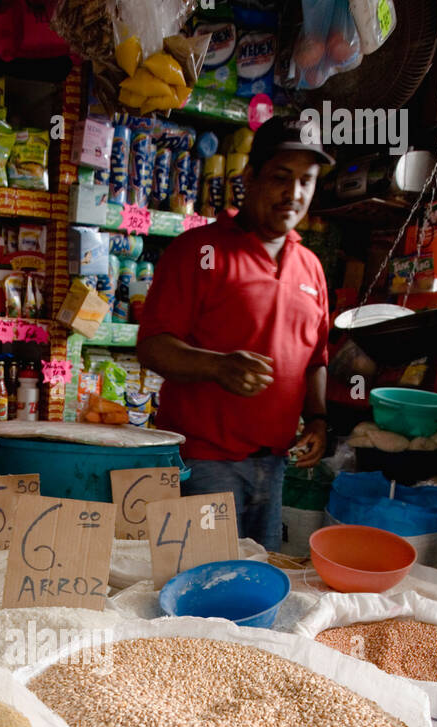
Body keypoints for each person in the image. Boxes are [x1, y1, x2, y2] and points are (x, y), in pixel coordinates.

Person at [137, 115, 335, 552]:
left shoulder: (311, 268)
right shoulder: (198, 250)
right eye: (281, 178)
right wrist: (217, 365)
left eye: (306, 180)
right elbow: (152, 345)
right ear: (250, 178)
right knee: (201, 585)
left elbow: (316, 357)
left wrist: (318, 419)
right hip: (203, 462)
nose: (294, 193)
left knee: (255, 580)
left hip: (276, 464)